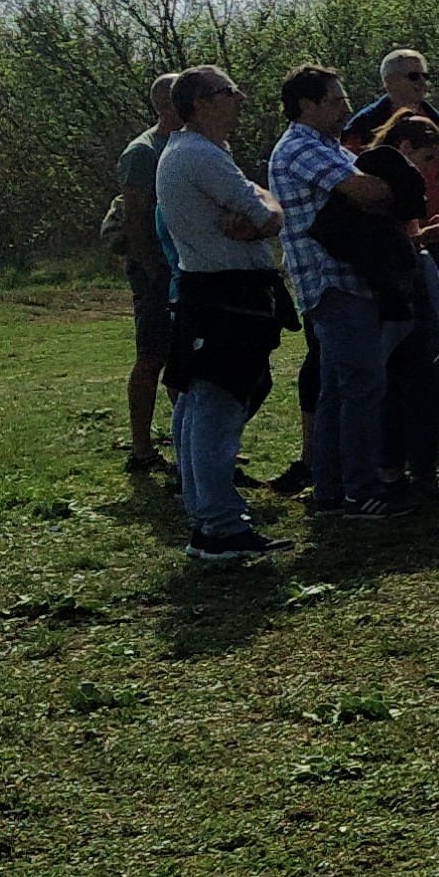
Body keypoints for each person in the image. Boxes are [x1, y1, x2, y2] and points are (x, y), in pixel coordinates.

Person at [149, 70, 291, 558]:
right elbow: (268, 216)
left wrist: (264, 209)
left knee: (198, 406)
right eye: (229, 93)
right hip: (225, 294)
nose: (240, 98)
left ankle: (210, 520)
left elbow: (264, 202)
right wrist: (264, 215)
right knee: (216, 408)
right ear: (199, 103)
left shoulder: (202, 153)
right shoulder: (199, 156)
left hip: (210, 292)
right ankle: (219, 526)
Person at [272, 65, 413, 517]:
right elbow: (364, 189)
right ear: (306, 104)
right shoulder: (299, 148)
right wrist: (399, 190)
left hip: (347, 278)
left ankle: (330, 491)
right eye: (335, 99)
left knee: (336, 388)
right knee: (363, 383)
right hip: (330, 280)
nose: (346, 108)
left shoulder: (325, 147)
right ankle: (361, 489)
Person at [353, 112, 439, 501]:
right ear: (405, 147)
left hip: (388, 288)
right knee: (410, 384)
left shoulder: (370, 173)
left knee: (401, 385)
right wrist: (427, 235)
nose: (431, 167)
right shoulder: (392, 179)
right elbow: (401, 241)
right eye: (428, 157)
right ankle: (411, 472)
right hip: (397, 290)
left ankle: (401, 470)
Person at [109, 73, 180, 473]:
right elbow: (136, 219)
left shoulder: (189, 143)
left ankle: (188, 441)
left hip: (182, 269)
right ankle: (141, 448)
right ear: (164, 106)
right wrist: (154, 272)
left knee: (183, 357)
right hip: (156, 272)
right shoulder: (143, 152)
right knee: (151, 357)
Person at [343, 49, 439, 151]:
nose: (422, 82)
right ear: (389, 81)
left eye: (425, 76)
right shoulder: (363, 125)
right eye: (413, 76)